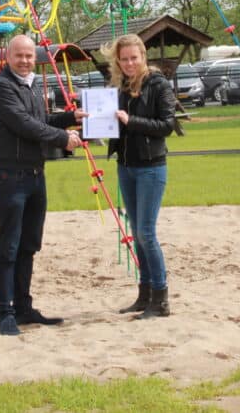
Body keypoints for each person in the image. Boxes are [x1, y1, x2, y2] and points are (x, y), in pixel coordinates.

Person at [0, 34, 87, 336]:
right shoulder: (0, 87)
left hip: (34, 175)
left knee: (29, 245)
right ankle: (5, 312)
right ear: (8, 57)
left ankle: (24, 307)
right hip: (10, 178)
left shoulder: (32, 85)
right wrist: (63, 139)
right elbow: (23, 124)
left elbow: (40, 118)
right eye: (20, 55)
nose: (26, 60)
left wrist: (70, 117)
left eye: (30, 56)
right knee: (8, 247)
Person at [104, 34, 175, 319]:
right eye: (124, 59)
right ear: (118, 62)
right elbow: (113, 122)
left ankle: (161, 298)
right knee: (136, 233)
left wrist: (130, 121)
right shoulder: (119, 87)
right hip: (127, 165)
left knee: (146, 232)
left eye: (134, 57)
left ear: (143, 56)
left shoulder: (158, 85)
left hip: (151, 166)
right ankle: (145, 294)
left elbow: (167, 125)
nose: (130, 63)